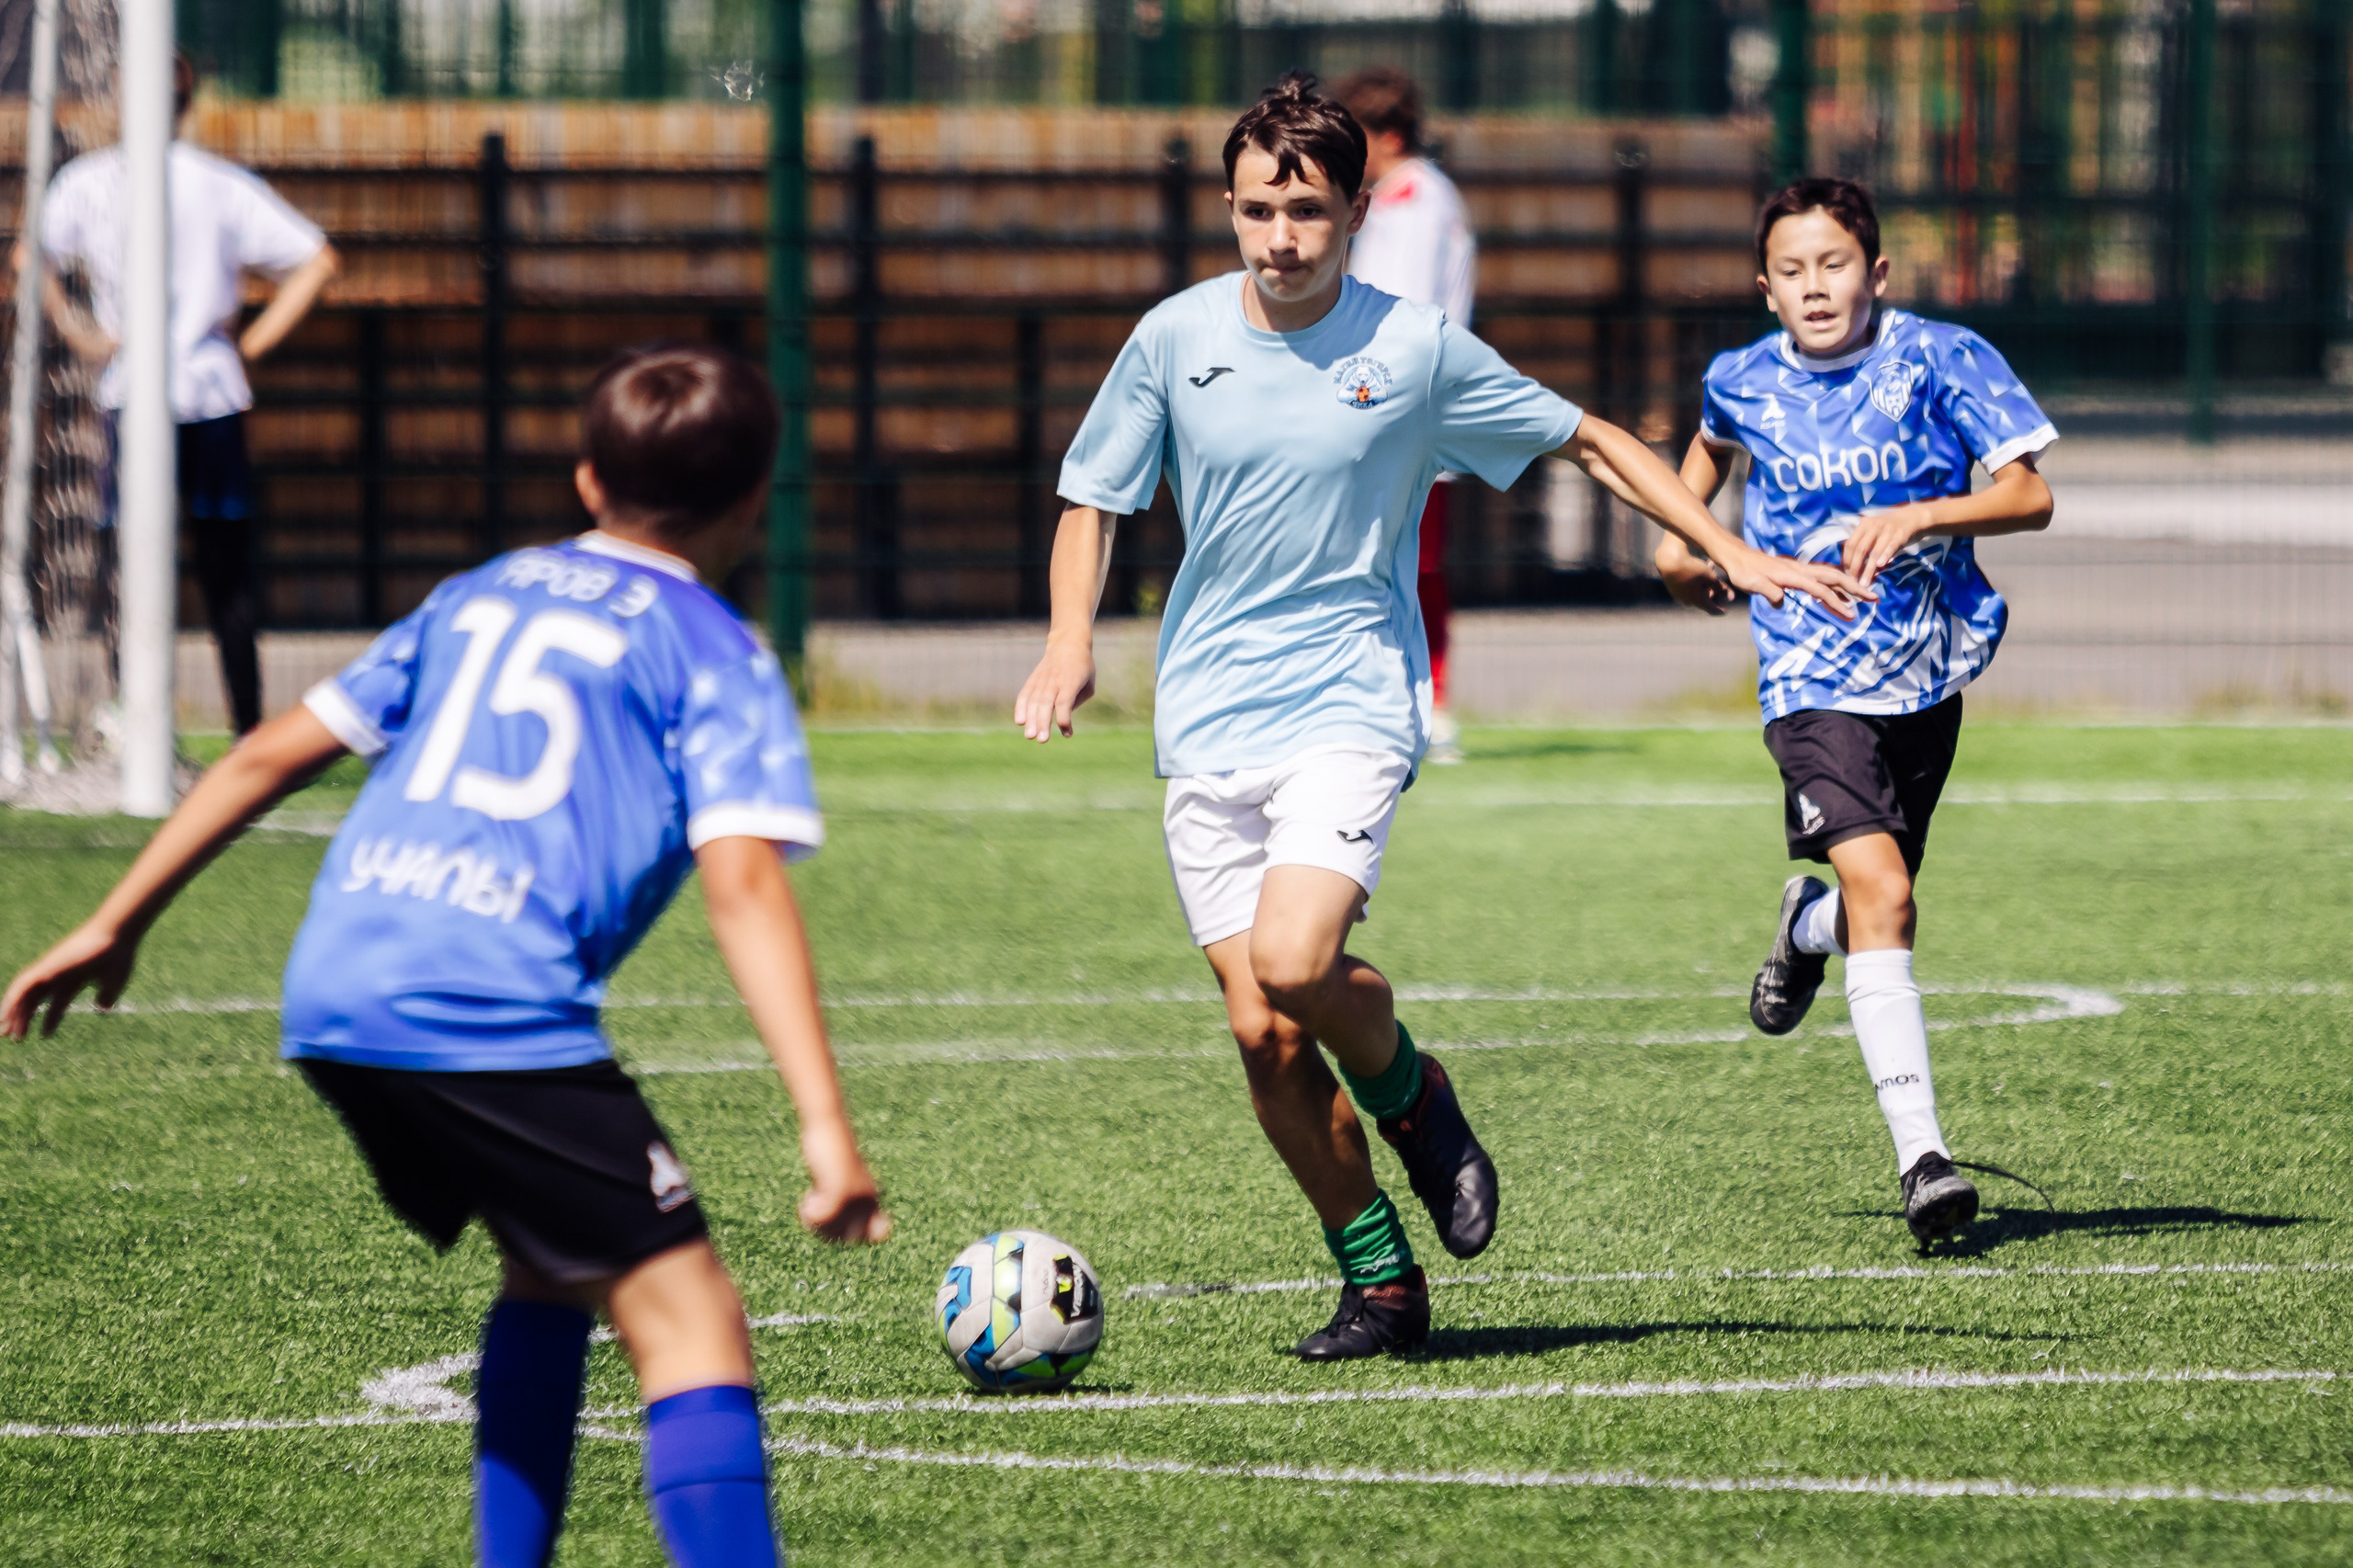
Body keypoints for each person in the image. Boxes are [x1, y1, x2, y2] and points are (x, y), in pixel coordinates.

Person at [1015, 76, 1866, 1360]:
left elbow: (1589, 440)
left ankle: (1418, 1098)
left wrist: (1725, 546)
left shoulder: (1409, 349)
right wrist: (1071, 640)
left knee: (1299, 964)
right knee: (1261, 1032)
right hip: (1206, 720)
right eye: (1256, 210)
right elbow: (1094, 498)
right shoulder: (1173, 337)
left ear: (1359, 209)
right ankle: (1380, 1278)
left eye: (1306, 210)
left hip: (1351, 700)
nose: (1279, 237)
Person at [2, 344, 891, 1567]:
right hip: (488, 1010)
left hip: (337, 987)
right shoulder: (714, 649)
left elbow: (267, 751)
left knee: (548, 1265)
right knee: (692, 1321)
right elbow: (742, 883)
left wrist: (119, 918)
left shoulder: (483, 591)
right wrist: (825, 1124)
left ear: (586, 482)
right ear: (755, 499)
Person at [1654, 176, 2057, 1249]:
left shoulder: (1939, 358)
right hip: (1806, 675)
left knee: (1877, 902)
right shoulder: (1738, 380)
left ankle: (1802, 925)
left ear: (1875, 273)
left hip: (1926, 670)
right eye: (1790, 271)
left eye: (1832, 264)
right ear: (1765, 287)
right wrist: (1680, 560)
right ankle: (1924, 1158)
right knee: (1882, 886)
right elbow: (1683, 505)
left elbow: (2029, 495)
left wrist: (1922, 513)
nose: (1813, 286)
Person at [40, 52, 341, 737]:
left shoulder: (86, 182)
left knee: (126, 563)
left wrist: (81, 333)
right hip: (208, 394)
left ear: (125, 100)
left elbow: (35, 260)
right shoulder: (218, 184)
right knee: (225, 569)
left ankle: (132, 720)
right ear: (188, 102)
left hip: (135, 393)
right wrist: (253, 344)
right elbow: (319, 260)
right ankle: (245, 729)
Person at [1336, 65, 1474, 764]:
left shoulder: (1417, 200)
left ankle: (1425, 705)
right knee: (1390, 560)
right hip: (1390, 406)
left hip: (1407, 409)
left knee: (1408, 563)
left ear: (1387, 135)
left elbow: (1407, 313)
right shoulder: (1394, 197)